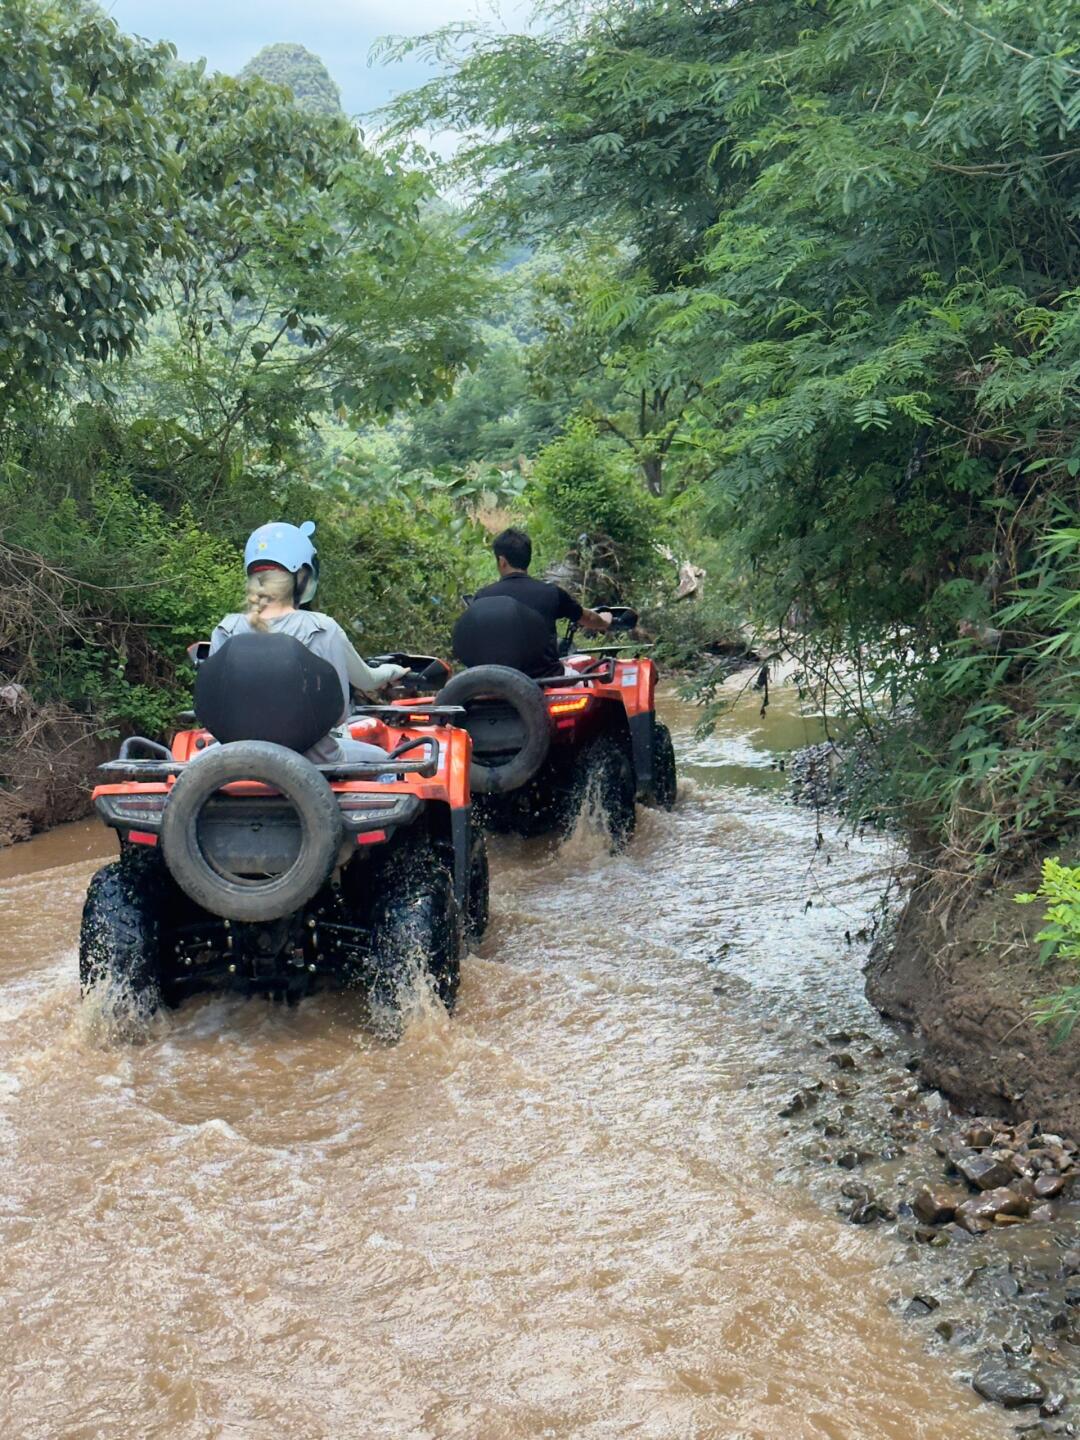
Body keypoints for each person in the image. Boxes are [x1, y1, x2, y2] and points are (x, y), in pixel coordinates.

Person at [208, 521, 407, 765]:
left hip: (233, 761)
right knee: (389, 760)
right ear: (303, 576)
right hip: (317, 762)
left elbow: (215, 708)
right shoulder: (322, 629)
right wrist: (392, 671)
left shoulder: (226, 629)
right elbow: (340, 712)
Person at [468, 527, 612, 676]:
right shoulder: (551, 593)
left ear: (502, 561)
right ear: (528, 558)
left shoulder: (482, 597)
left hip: (498, 680)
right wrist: (605, 621)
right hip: (548, 677)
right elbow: (588, 618)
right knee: (587, 680)